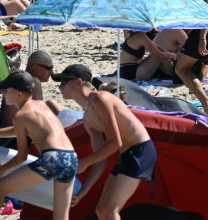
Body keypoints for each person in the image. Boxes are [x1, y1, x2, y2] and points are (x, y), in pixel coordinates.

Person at [56, 64, 157, 219]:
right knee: (101, 210)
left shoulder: (100, 99)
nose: (59, 87)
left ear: (78, 82)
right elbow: (101, 160)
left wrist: (85, 162)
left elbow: (115, 142)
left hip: (140, 151)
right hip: (128, 154)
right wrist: (84, 191)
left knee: (110, 210)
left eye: (63, 82)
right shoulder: (88, 118)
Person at [0, 72, 76, 220]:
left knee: (0, 187)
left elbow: (22, 156)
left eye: (6, 89)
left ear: (19, 93)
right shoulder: (41, 106)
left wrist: (2, 169)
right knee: (61, 217)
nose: (3, 92)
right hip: (71, 158)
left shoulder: (20, 115)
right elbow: (16, 131)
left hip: (52, 158)